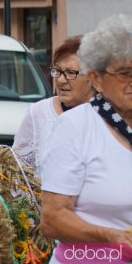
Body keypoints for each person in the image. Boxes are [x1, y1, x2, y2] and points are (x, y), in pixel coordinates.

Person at [41, 14, 132, 262]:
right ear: (96, 79)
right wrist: (108, 236)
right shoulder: (76, 127)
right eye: (125, 73)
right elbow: (52, 219)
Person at [13, 36, 92, 174]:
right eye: (57, 71)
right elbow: (15, 171)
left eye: (70, 72)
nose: (61, 80)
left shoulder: (110, 115)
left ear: (92, 77)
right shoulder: (38, 112)